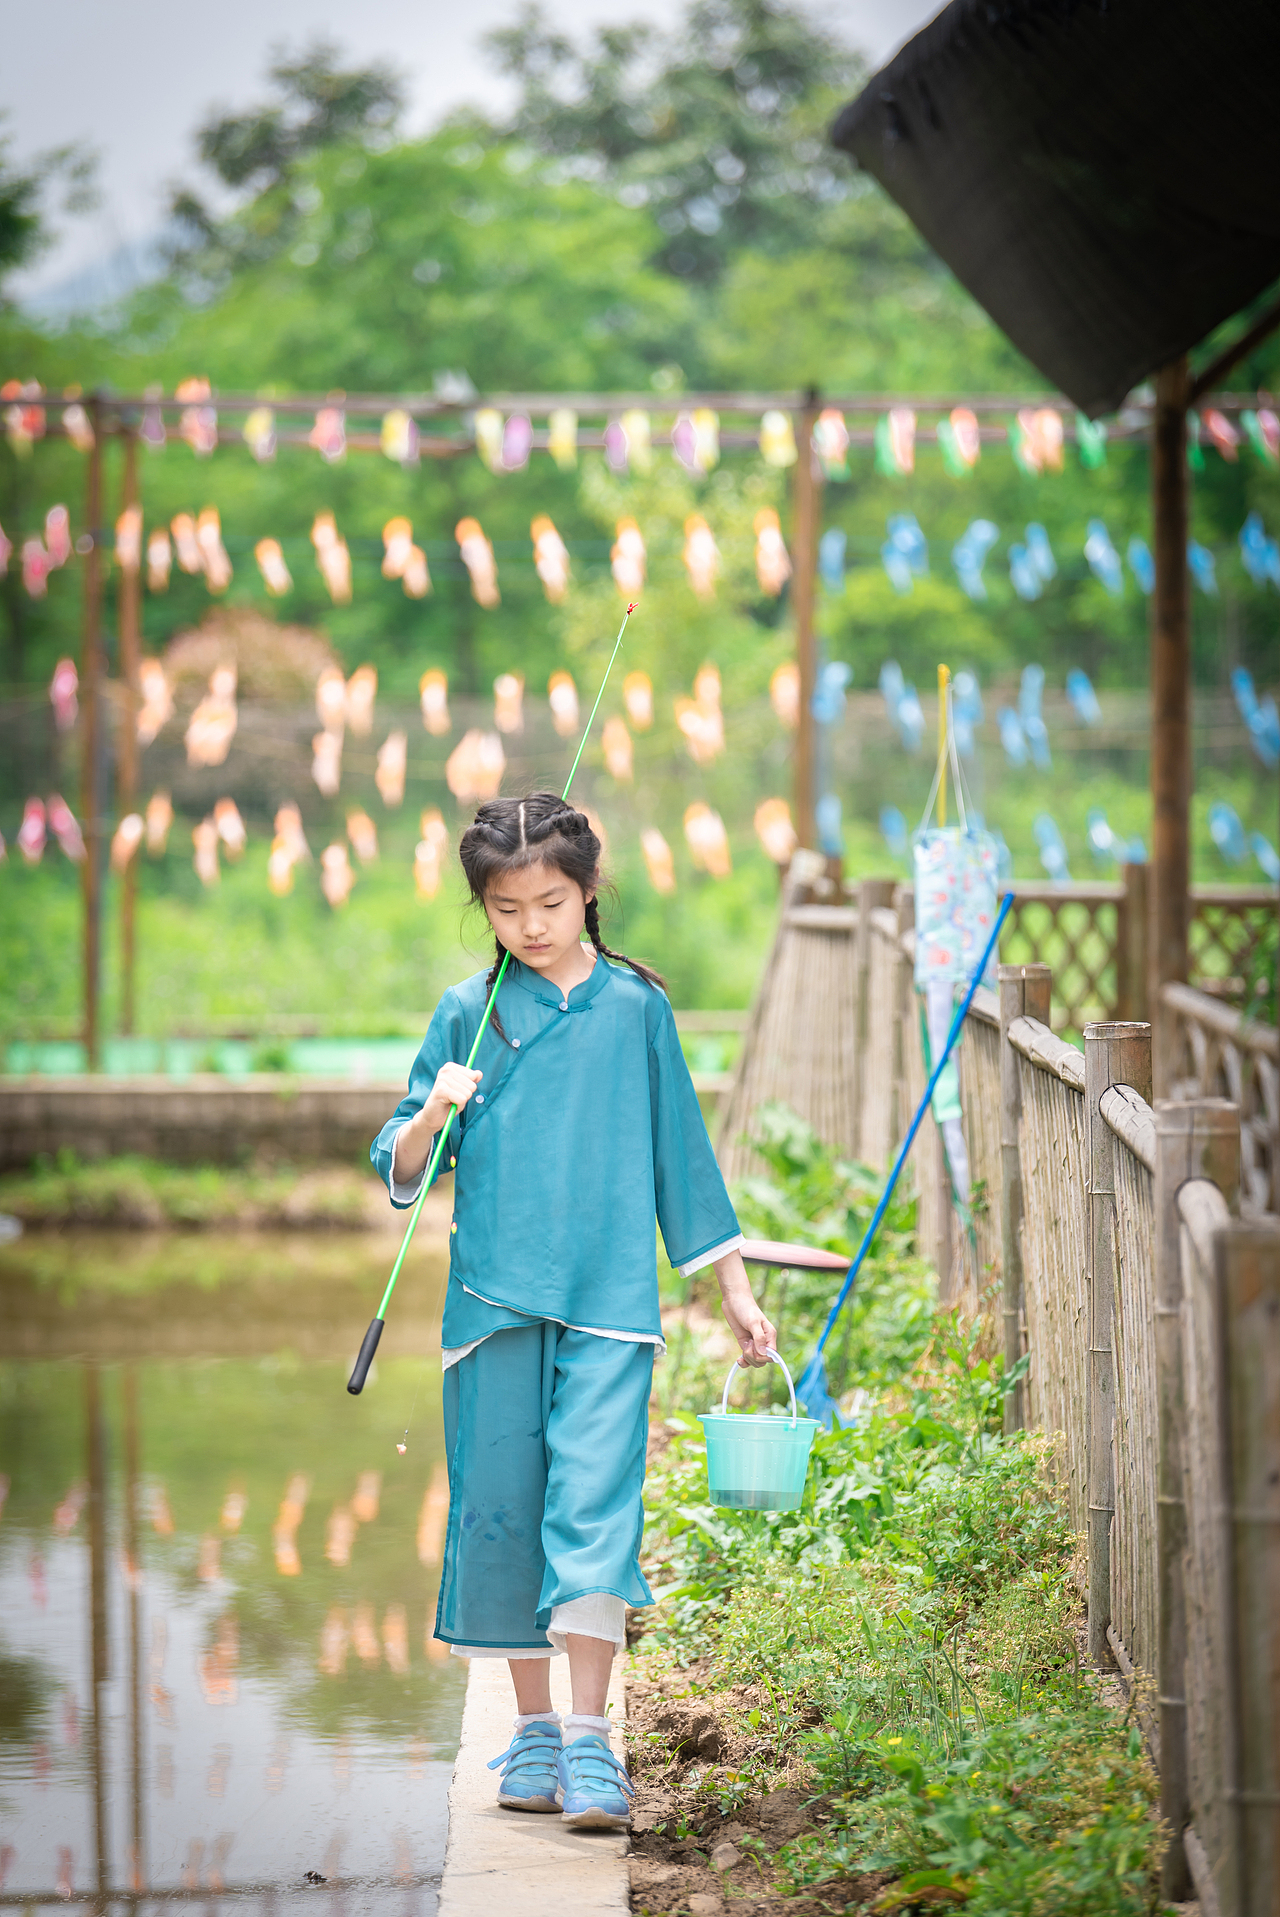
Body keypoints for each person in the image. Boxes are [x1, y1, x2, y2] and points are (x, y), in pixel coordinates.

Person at [371, 793, 774, 1831]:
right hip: (489, 1307)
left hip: (607, 1307)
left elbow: (681, 1157)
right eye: (506, 910)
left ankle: (593, 1742)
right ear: (485, 909)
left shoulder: (638, 1009)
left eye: (550, 901)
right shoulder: (467, 1011)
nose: (531, 926)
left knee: (592, 1513)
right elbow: (404, 1166)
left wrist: (731, 1288)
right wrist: (431, 1109)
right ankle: (536, 1731)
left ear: (587, 892)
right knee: (502, 1515)